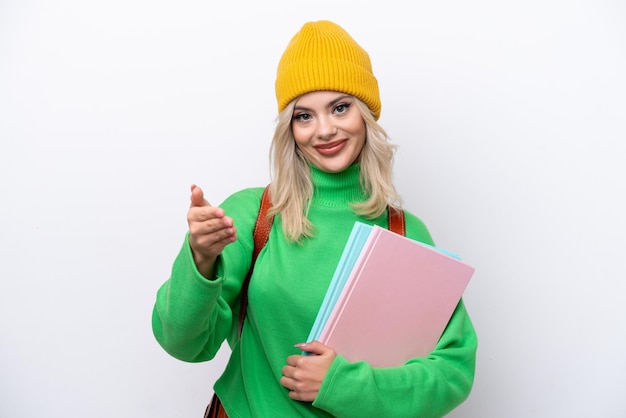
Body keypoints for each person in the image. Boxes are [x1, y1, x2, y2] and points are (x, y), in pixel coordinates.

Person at [152, 20, 477, 418]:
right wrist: (200, 259)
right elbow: (183, 343)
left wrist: (341, 385)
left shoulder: (406, 232)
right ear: (289, 127)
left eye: (340, 107)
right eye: (304, 116)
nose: (324, 130)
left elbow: (452, 371)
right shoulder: (255, 215)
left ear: (366, 115)